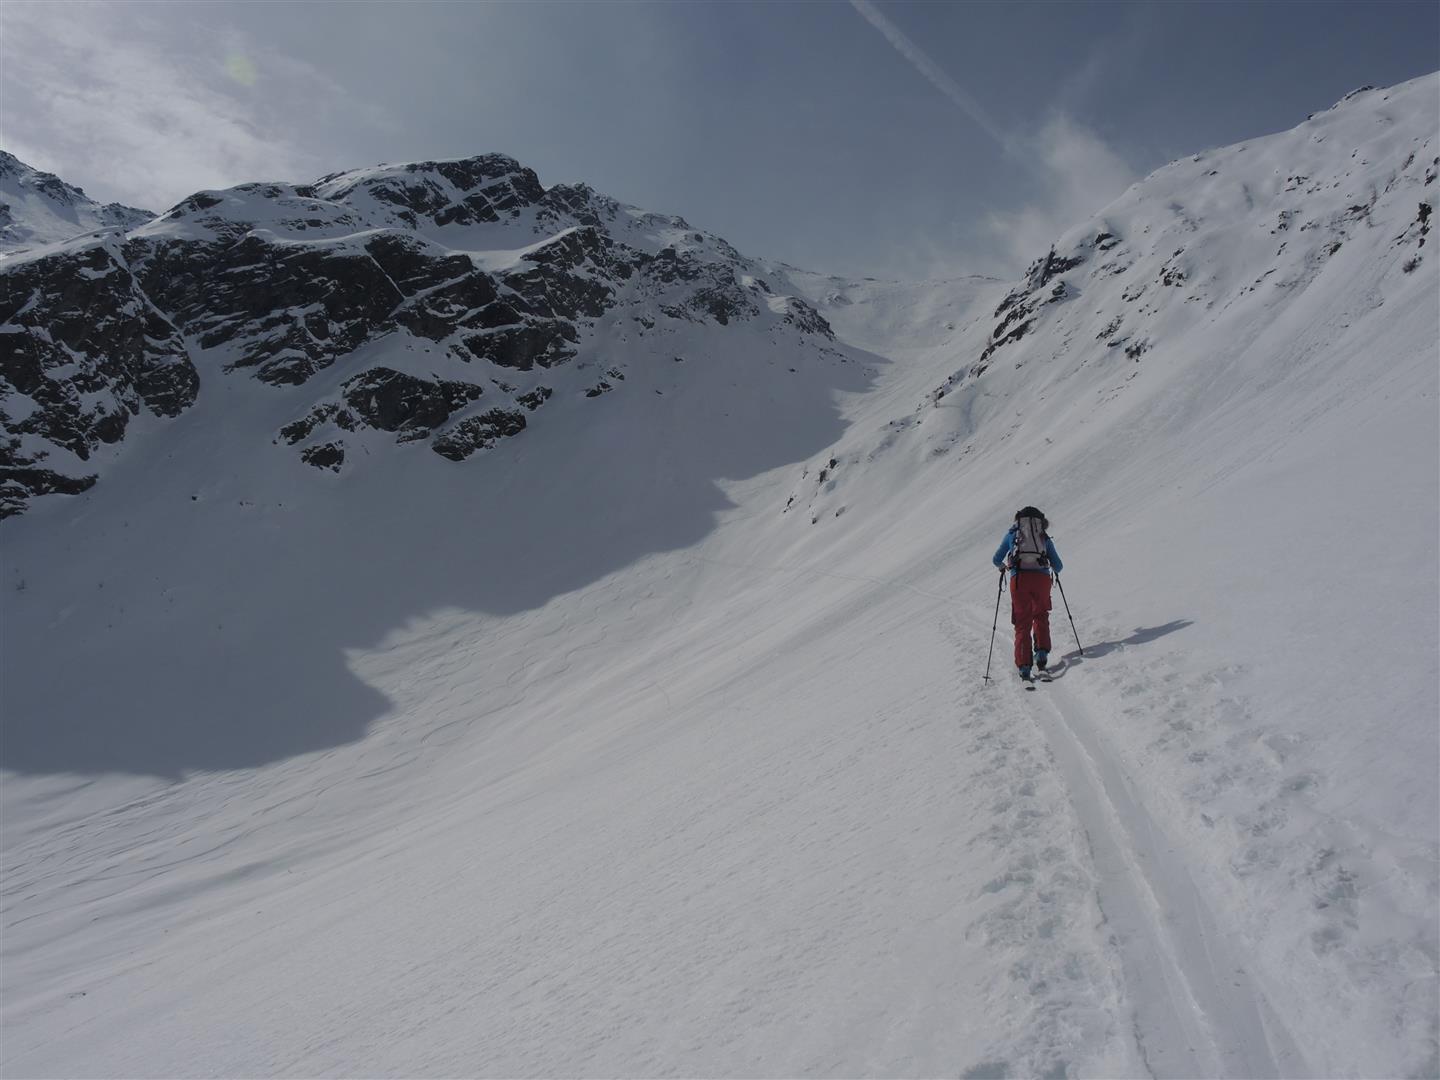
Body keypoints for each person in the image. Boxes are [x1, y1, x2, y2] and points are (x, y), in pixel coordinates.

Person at [992, 506, 1064, 680]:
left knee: (1022, 621)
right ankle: (1041, 654)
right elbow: (1059, 566)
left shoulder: (1012, 535)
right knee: (1040, 615)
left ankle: (1024, 666)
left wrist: (1004, 567)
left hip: (1019, 580)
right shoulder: (1043, 536)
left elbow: (996, 559)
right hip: (1042, 581)